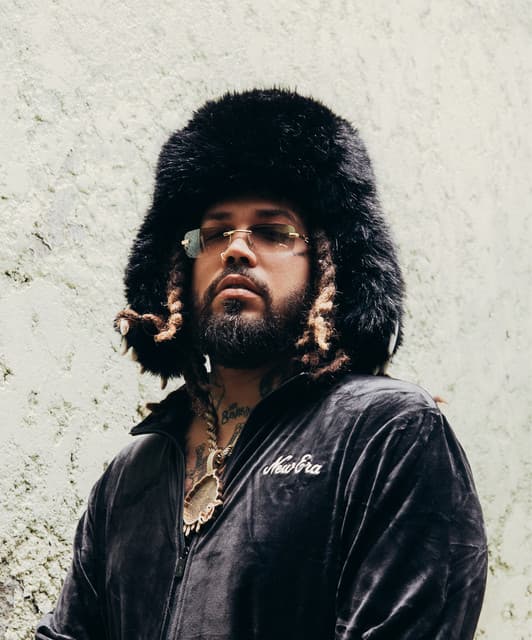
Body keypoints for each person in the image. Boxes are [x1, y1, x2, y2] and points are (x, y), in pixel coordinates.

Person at [36, 88, 487, 640]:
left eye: (273, 232)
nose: (236, 249)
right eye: (214, 233)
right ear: (177, 268)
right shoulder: (132, 472)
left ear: (329, 264)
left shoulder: (385, 432)